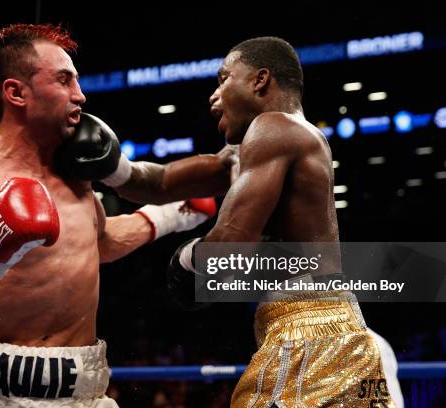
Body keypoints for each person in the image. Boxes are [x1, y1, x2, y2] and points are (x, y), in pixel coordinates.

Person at [0, 23, 231, 407]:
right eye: (64, 80)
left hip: (82, 392)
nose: (80, 96)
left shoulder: (78, 178)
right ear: (16, 92)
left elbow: (97, 242)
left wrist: (172, 215)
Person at [166, 37, 401, 407]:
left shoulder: (272, 126)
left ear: (259, 80)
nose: (213, 96)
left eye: (223, 78)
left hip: (307, 331)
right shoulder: (265, 146)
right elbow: (155, 181)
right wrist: (113, 168)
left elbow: (229, 247)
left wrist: (187, 259)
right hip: (331, 326)